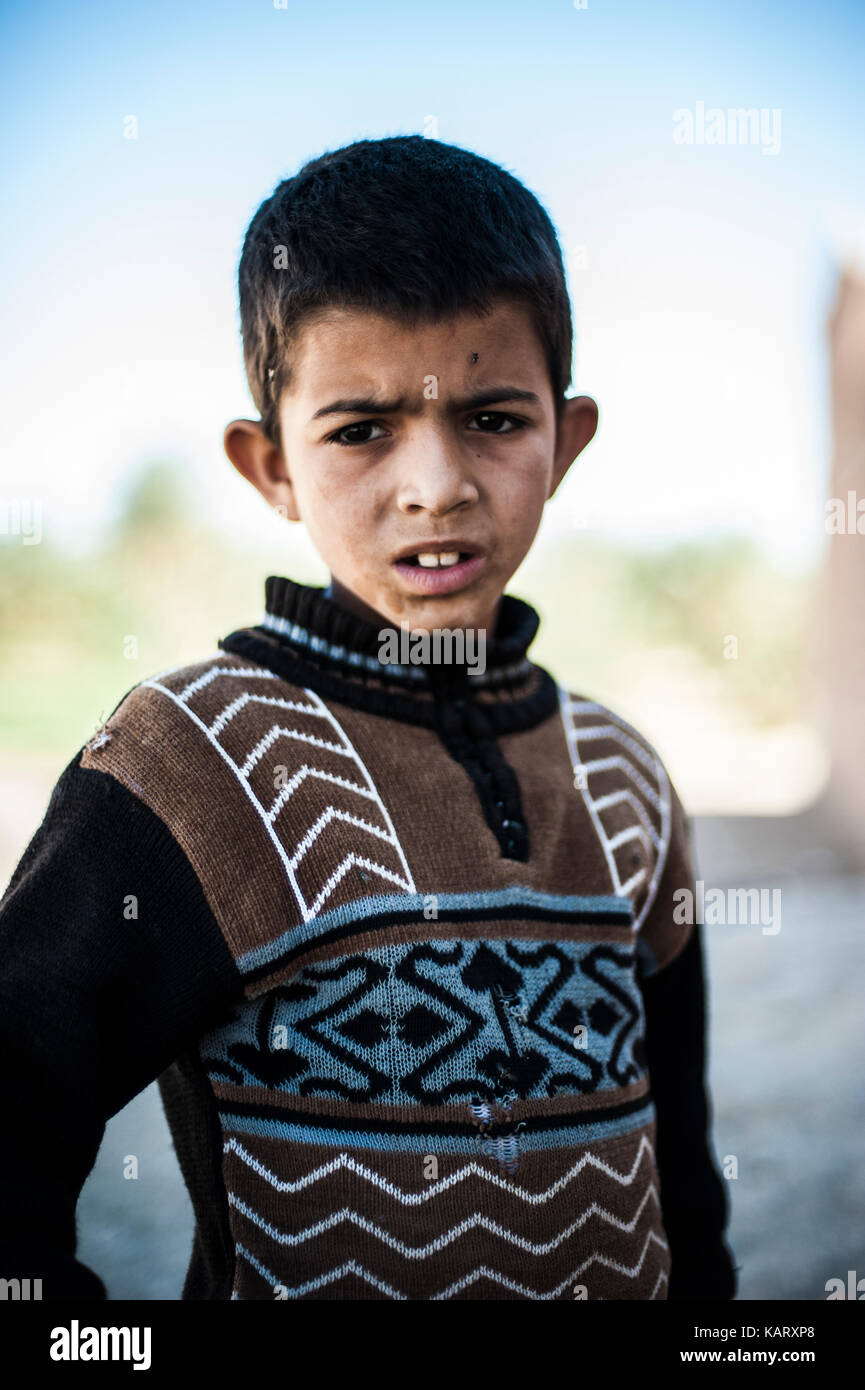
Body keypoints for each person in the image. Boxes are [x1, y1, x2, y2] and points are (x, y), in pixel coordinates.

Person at [0, 135, 737, 1301]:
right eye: (360, 430)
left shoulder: (622, 775)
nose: (435, 483)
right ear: (270, 467)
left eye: (494, 419)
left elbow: (683, 1177)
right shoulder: (190, 764)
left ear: (568, 437)